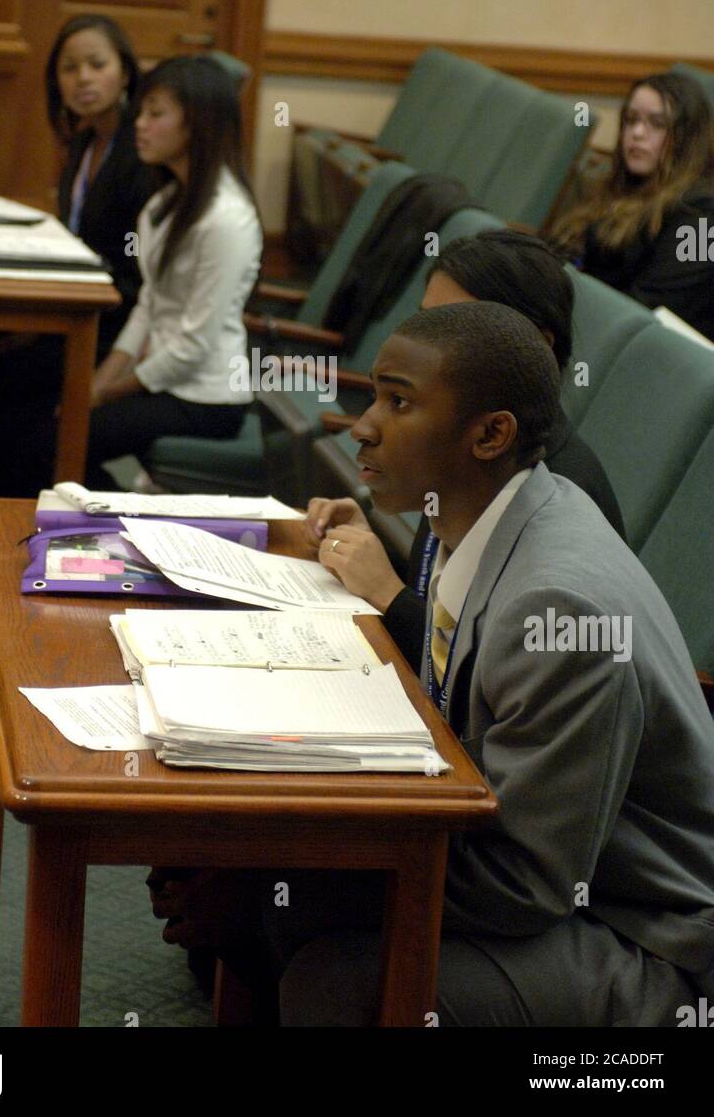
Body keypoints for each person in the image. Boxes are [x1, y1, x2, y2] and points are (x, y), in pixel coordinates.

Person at [148, 304, 714, 1026]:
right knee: (250, 885)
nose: (362, 424)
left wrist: (277, 879)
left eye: (398, 401)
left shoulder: (558, 609)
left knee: (334, 976)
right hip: (562, 888)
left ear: (489, 433)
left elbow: (527, 882)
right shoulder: (482, 513)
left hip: (643, 943)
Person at [307, 229, 625, 670]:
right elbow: (443, 602)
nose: (425, 341)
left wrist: (387, 593)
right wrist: (370, 547)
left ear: (531, 343)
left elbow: (491, 677)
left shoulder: (557, 491)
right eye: (424, 320)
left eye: (456, 323)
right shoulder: (457, 448)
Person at [0, 54, 263, 496]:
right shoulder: (163, 204)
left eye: (155, 114)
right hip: (167, 381)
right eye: (140, 112)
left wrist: (106, 393)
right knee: (35, 424)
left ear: (197, 123)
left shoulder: (227, 218)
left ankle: (116, 523)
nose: (139, 124)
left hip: (206, 398)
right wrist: (94, 384)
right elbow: (148, 307)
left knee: (47, 441)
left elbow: (193, 347)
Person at [0, 14, 153, 493]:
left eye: (96, 64)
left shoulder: (142, 151)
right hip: (68, 310)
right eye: (69, 68)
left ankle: (67, 490)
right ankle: (22, 487)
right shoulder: (85, 142)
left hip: (114, 328)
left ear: (125, 72)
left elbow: (135, 278)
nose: (83, 78)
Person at [549, 71, 714, 340]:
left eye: (657, 124)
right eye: (631, 119)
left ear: (687, 137)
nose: (637, 133)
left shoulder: (704, 217)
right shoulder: (616, 190)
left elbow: (650, 311)